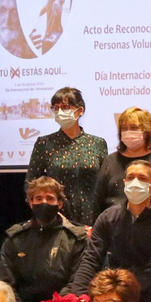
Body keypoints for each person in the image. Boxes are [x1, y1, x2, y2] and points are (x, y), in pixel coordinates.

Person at [69, 159, 151, 302]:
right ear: (124, 182)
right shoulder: (107, 217)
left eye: (142, 178)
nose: (135, 182)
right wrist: (78, 295)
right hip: (115, 294)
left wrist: (121, 292)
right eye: (130, 177)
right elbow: (92, 258)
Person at [0, 176, 89, 302]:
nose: (44, 202)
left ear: (60, 203)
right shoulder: (15, 239)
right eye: (38, 198)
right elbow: (5, 283)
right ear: (30, 203)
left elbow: (77, 283)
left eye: (50, 198)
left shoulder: (76, 239)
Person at [25, 86, 109, 227]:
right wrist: (43, 210)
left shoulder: (97, 143)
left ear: (80, 110)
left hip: (92, 215)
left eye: (65, 107)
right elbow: (30, 183)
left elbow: (105, 183)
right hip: (55, 216)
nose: (60, 112)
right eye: (55, 108)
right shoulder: (44, 143)